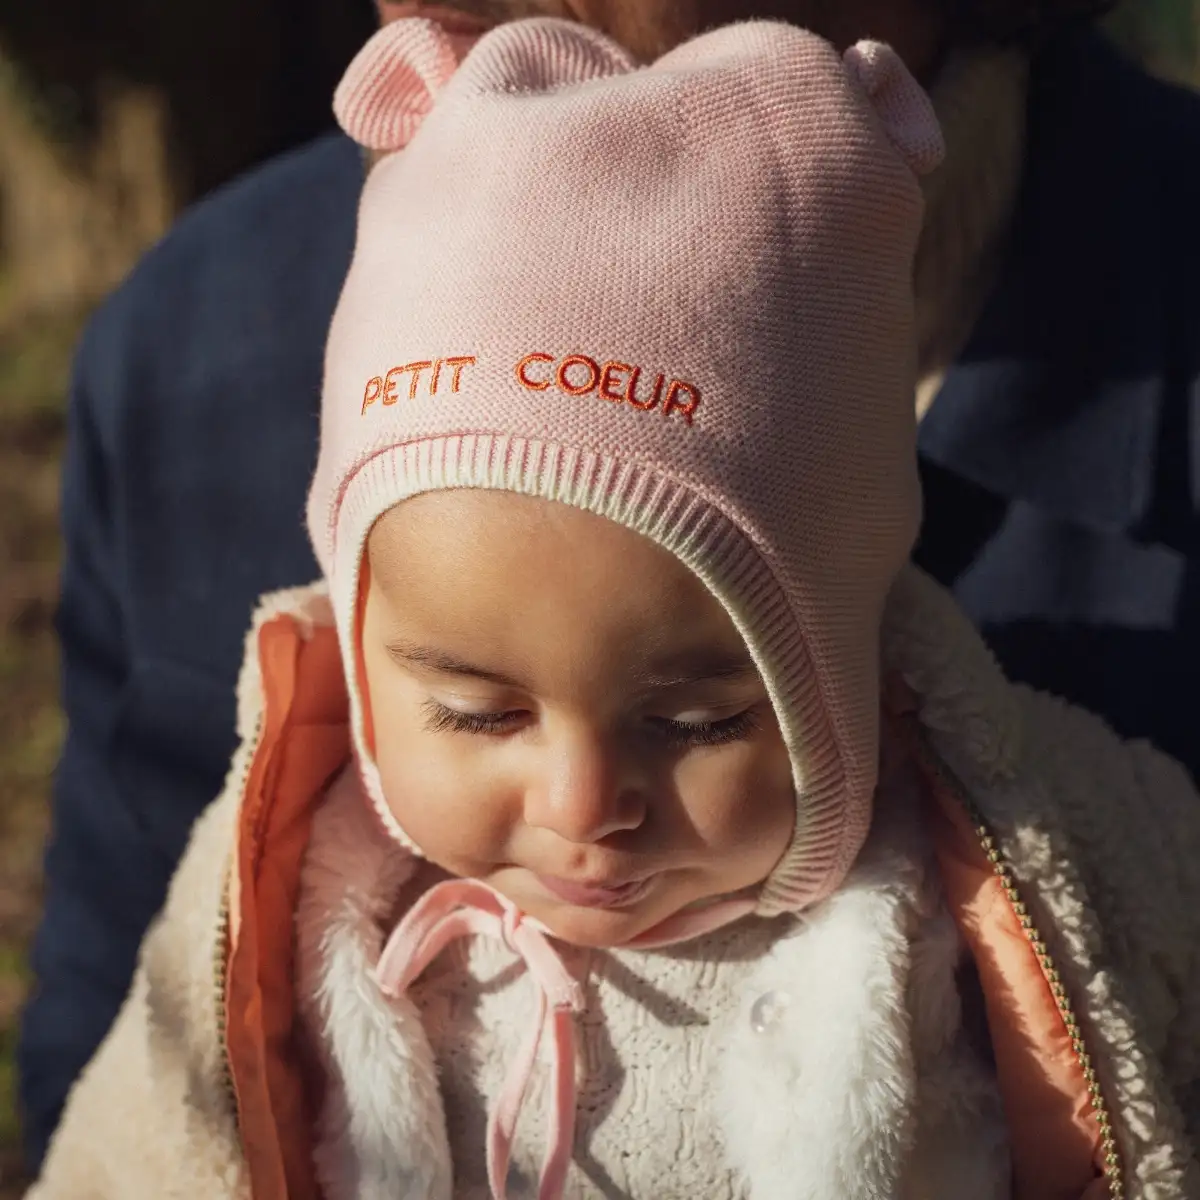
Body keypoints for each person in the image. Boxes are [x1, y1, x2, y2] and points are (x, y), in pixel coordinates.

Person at [17, 0, 1200, 1175]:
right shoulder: (194, 355)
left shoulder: (1082, 845)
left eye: (699, 719)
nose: (583, 810)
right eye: (476, 710)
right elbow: (118, 1079)